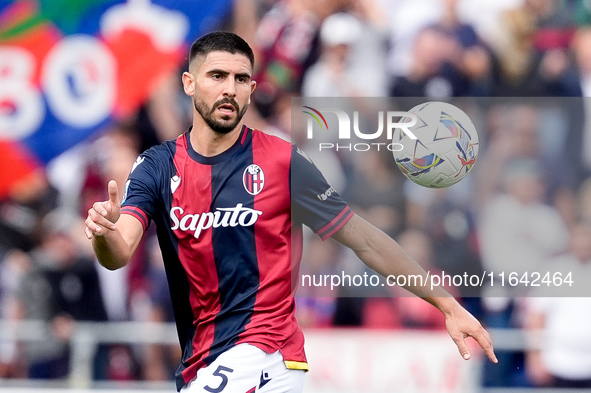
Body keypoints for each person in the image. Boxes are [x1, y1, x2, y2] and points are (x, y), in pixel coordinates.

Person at [84, 31, 497, 393]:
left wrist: (447, 304)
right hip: (201, 362)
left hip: (267, 353)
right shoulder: (157, 166)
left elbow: (365, 241)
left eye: (241, 79)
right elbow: (119, 253)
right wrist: (104, 232)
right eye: (217, 77)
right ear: (189, 84)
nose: (230, 88)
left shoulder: (282, 162)